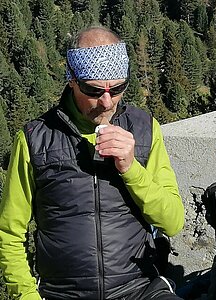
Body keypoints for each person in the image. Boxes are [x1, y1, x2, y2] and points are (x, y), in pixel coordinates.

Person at [0, 25, 185, 300]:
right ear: (72, 79)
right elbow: (9, 232)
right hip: (62, 294)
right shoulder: (34, 139)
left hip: (139, 290)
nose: (107, 102)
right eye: (93, 90)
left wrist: (131, 168)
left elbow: (172, 222)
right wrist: (26, 296)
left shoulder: (145, 128)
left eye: (118, 88)